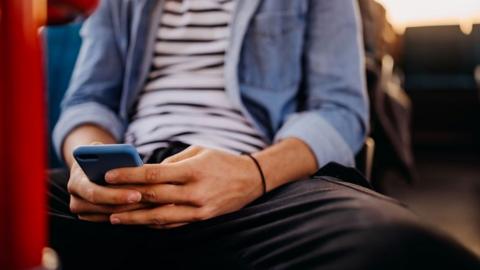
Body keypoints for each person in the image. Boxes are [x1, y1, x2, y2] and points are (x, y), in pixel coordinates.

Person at [48, 0, 480, 269]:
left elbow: (339, 109)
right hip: (131, 178)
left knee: (402, 248)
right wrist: (86, 162)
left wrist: (250, 174)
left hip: (262, 184)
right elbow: (87, 102)